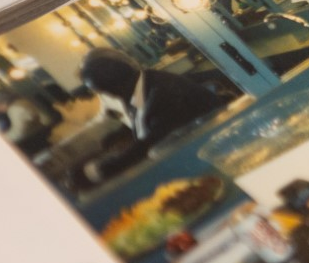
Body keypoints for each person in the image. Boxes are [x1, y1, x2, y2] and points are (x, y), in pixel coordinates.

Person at [78, 47, 222, 180]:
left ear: (115, 86)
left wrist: (105, 167)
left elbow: (155, 140)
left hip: (210, 159)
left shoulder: (160, 92)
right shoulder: (142, 85)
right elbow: (149, 125)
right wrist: (117, 138)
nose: (107, 96)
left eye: (104, 91)